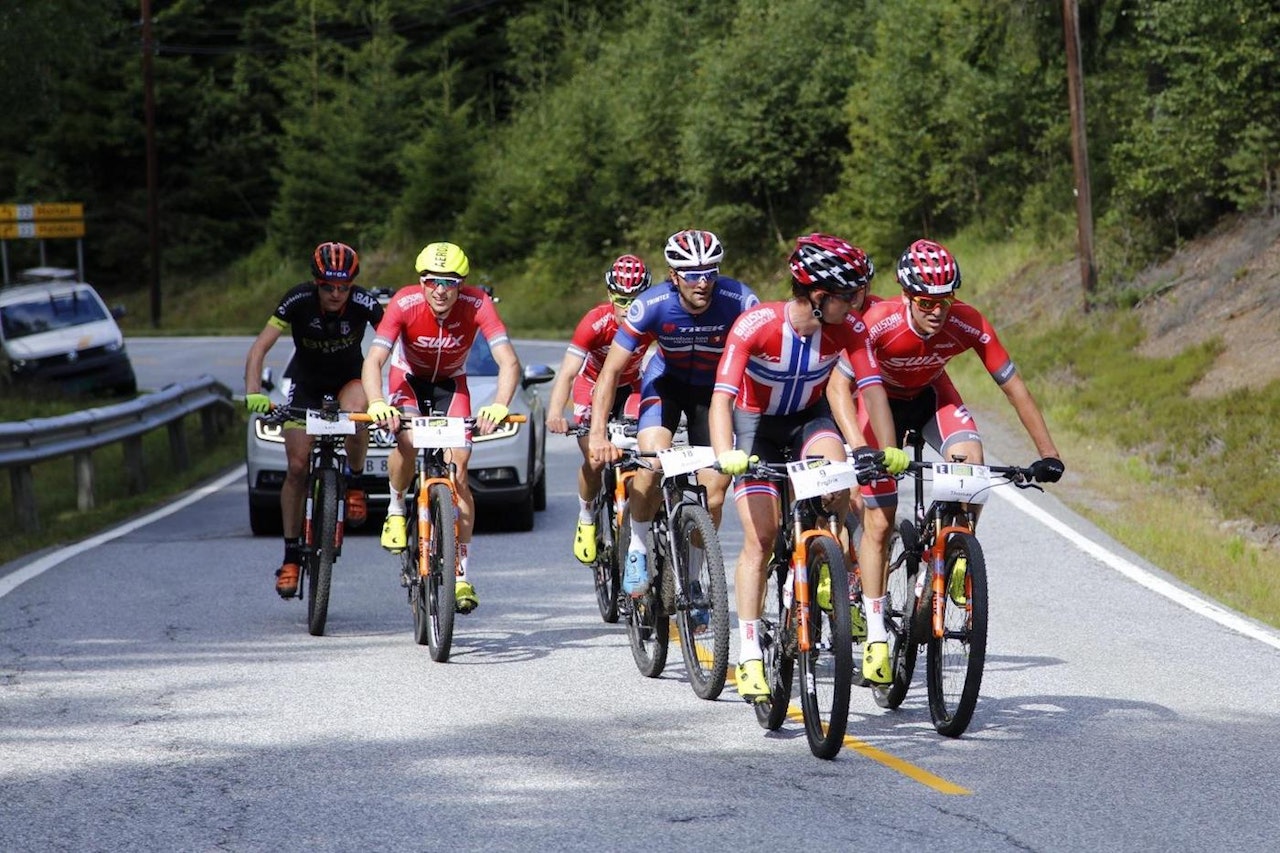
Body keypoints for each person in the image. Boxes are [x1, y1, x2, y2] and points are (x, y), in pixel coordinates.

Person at [828, 238, 1065, 685]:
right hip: (878, 403)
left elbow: (1014, 387)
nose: (938, 311)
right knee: (879, 523)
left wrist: (1048, 454)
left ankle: (956, 551)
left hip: (931, 397)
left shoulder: (968, 321)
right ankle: (877, 634)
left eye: (946, 300)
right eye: (926, 302)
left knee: (971, 465)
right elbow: (840, 387)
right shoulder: (877, 322)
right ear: (906, 296)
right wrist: (860, 448)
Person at [709, 233, 907, 703]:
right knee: (759, 539)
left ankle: (821, 557)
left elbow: (873, 389)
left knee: (838, 474)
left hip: (807, 420)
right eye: (848, 295)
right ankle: (751, 651)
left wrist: (889, 448)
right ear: (818, 297)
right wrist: (726, 452)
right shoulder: (754, 325)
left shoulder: (849, 329)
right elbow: (722, 398)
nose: (858, 303)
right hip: (755, 426)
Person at [589, 229, 759, 597]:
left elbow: (764, 358)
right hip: (665, 385)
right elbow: (611, 372)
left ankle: (695, 577)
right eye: (692, 274)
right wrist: (597, 434)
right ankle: (637, 547)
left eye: (710, 272)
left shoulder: (739, 300)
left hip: (713, 394)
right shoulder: (652, 305)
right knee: (651, 466)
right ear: (673, 274)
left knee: (715, 487)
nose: (703, 282)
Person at [361, 241, 521, 614]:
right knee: (408, 440)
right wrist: (377, 403)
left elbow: (508, 362)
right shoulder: (404, 303)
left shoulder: (478, 304)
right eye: (432, 281)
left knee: (460, 468)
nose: (441, 290)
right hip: (408, 380)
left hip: (451, 384)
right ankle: (397, 507)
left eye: (450, 282)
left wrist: (498, 405)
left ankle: (461, 574)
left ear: (461, 284)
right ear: (421, 281)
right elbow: (375, 360)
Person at [243, 241, 384, 598]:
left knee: (357, 411)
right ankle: (291, 556)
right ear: (315, 283)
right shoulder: (297, 300)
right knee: (296, 467)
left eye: (343, 287)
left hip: (349, 380)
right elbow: (260, 347)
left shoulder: (365, 302)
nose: (336, 294)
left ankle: (354, 483)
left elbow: (394, 340)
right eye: (328, 287)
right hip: (306, 386)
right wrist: (253, 391)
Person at [545, 255, 653, 564]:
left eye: (635, 300)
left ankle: (644, 522)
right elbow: (567, 373)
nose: (627, 308)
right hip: (591, 386)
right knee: (594, 459)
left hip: (631, 386)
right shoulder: (595, 322)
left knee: (642, 454)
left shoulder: (651, 320)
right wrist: (555, 413)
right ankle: (587, 516)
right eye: (621, 299)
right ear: (610, 295)